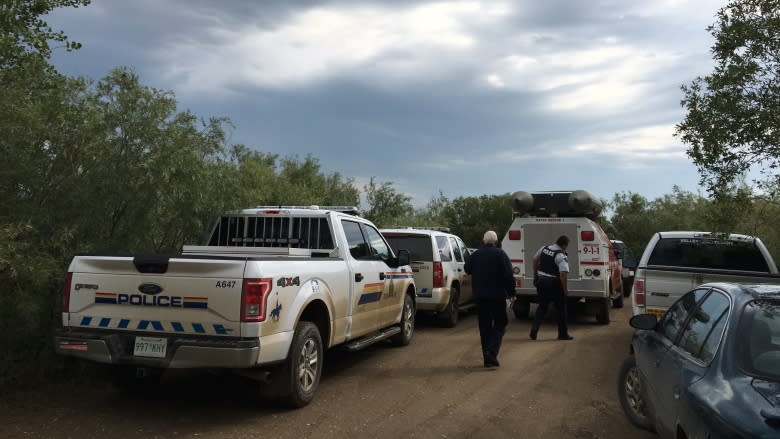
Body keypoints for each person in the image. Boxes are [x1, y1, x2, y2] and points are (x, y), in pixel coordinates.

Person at [464, 230, 516, 367]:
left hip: (480, 296)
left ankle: (487, 358)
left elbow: (467, 269)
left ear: (483, 241)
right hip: (497, 296)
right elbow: (508, 275)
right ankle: (491, 352)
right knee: (501, 323)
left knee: (484, 326)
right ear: (497, 242)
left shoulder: (475, 255)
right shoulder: (501, 254)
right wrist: (512, 293)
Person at [529, 235, 573, 341]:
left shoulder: (544, 248)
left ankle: (534, 329)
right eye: (566, 246)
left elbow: (535, 260)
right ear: (564, 245)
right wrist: (565, 290)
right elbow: (563, 274)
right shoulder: (561, 256)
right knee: (561, 308)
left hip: (541, 281)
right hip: (554, 283)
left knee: (542, 307)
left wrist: (535, 274)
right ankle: (562, 334)